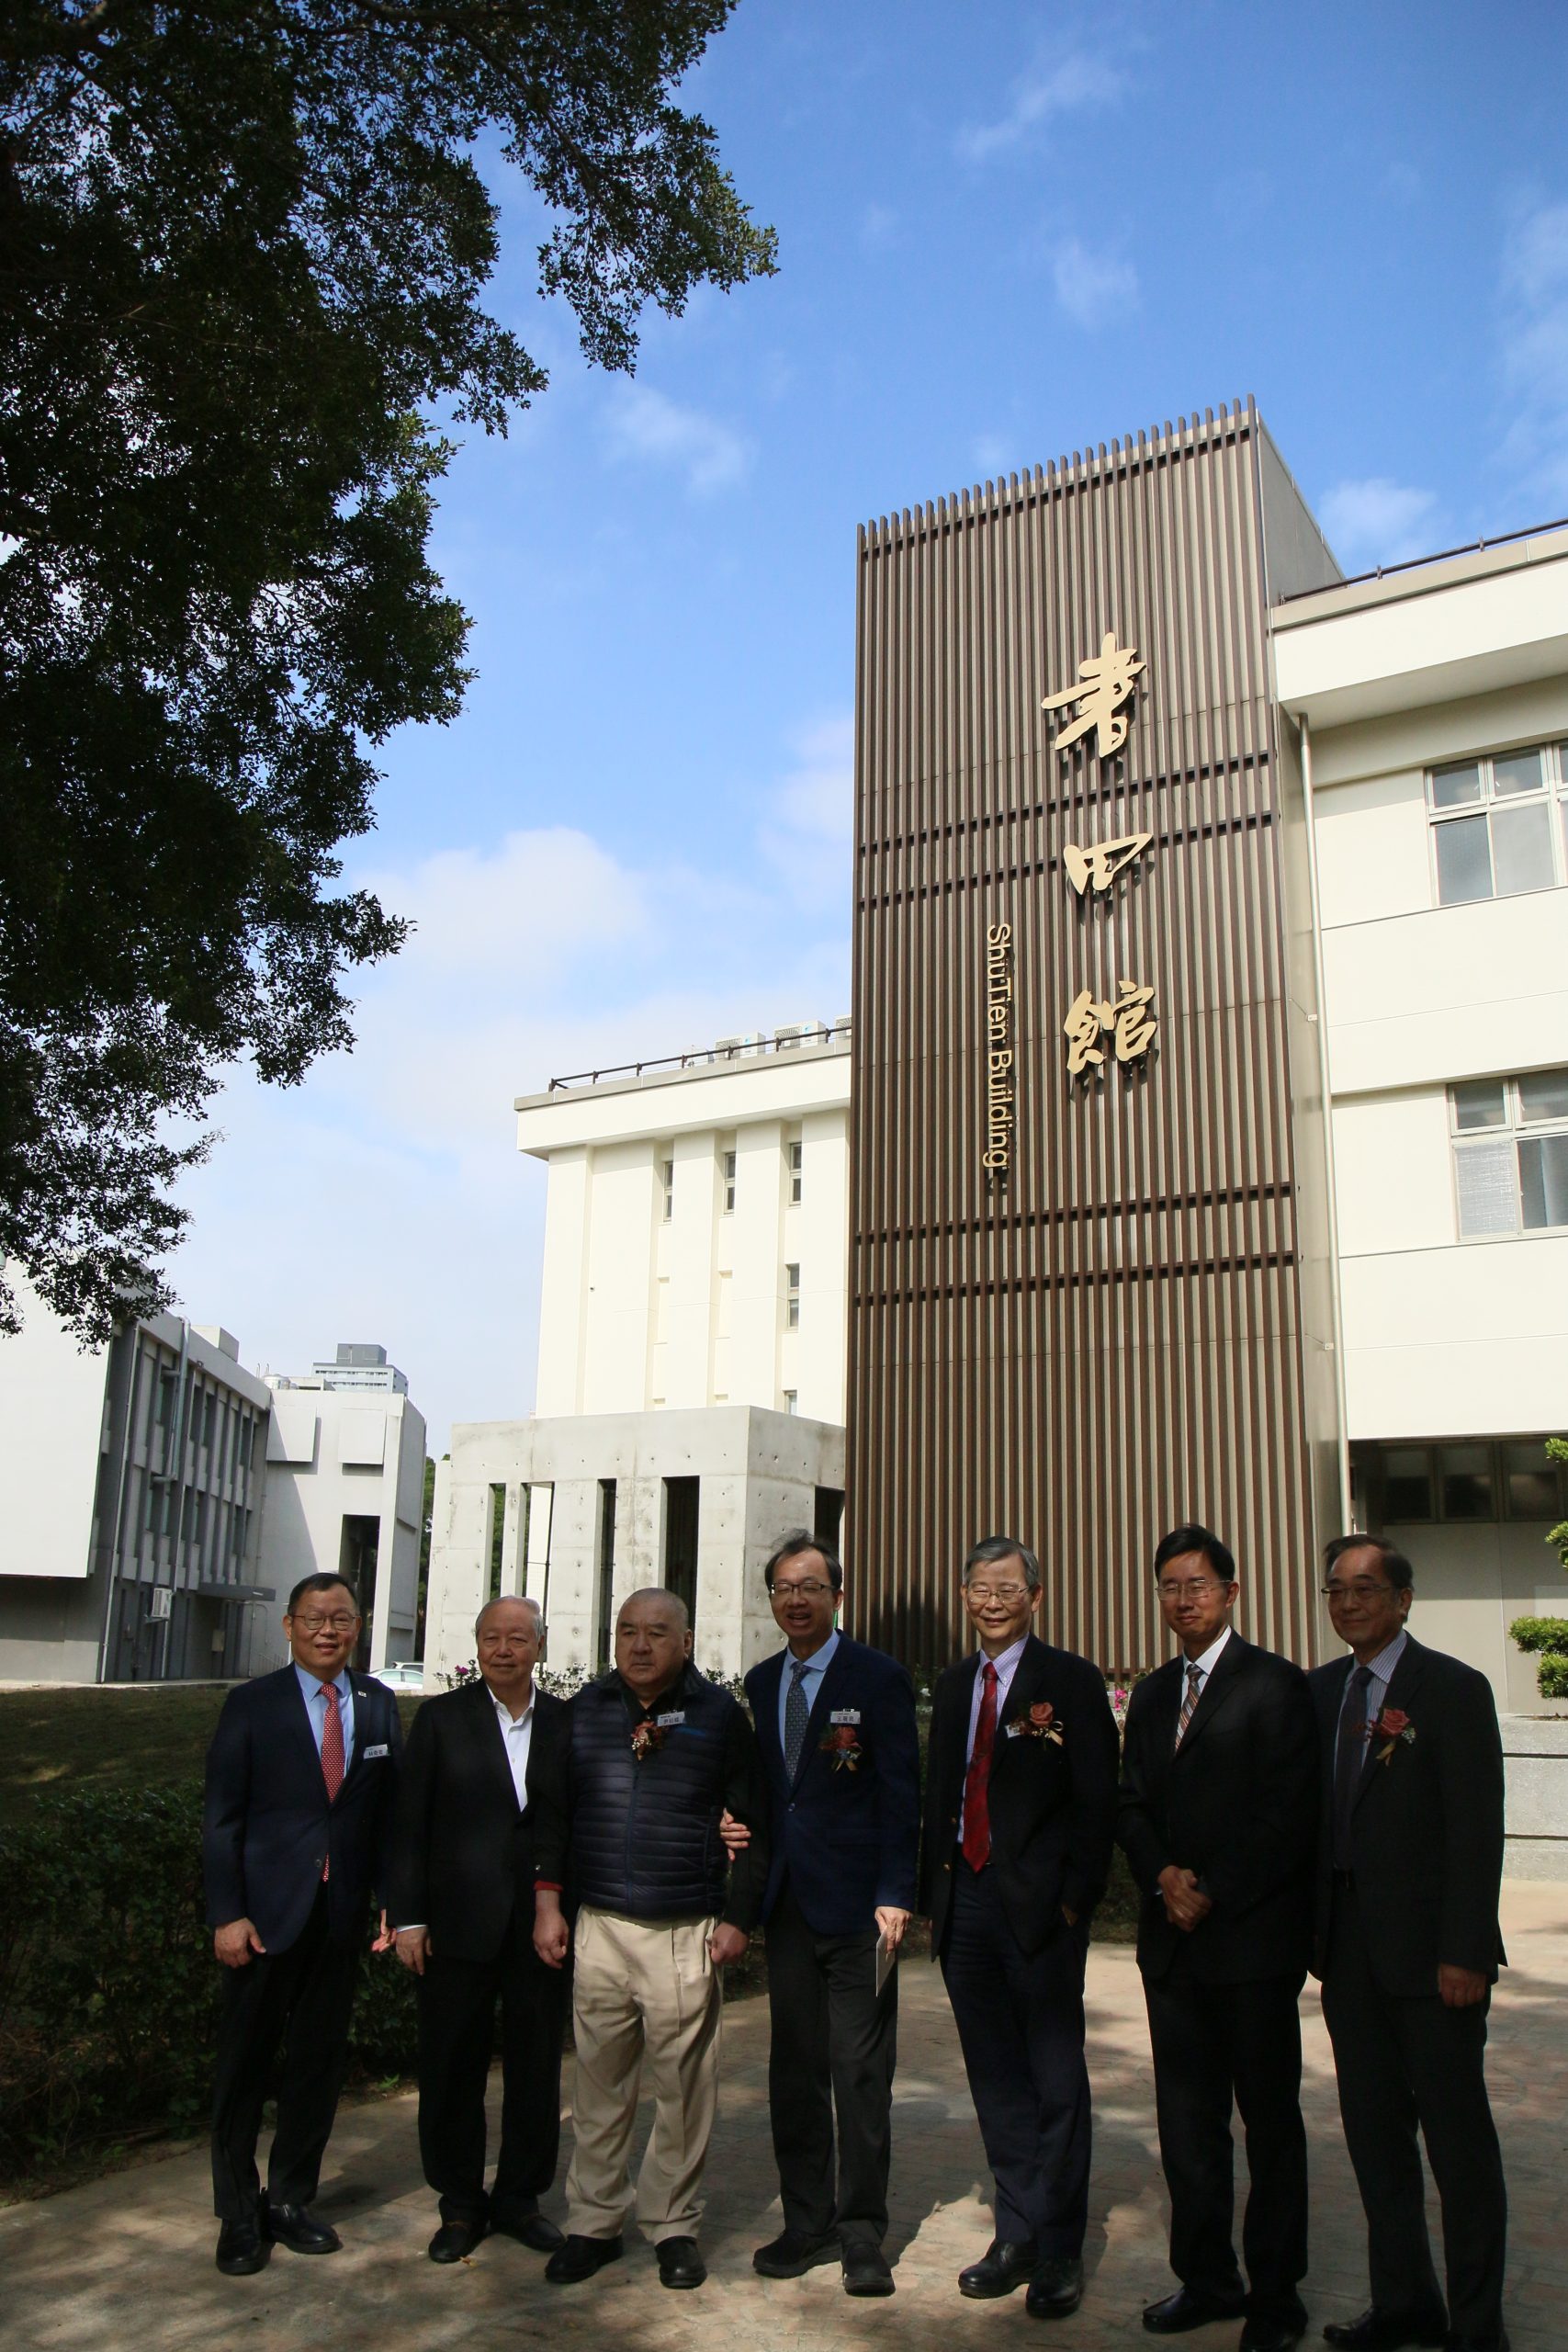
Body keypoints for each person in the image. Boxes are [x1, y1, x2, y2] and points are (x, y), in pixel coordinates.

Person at [530, 1587, 768, 2292]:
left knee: (684, 2089)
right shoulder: (582, 1714)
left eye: (656, 1633)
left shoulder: (720, 1717)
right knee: (598, 2085)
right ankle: (593, 2223)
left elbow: (755, 1826)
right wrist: (548, 1906)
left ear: (685, 1642)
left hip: (683, 1927)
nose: (640, 1644)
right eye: (627, 1630)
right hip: (599, 1924)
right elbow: (552, 1819)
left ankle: (672, 2224)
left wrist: (736, 1920)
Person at [1117, 1524, 1319, 2351]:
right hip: (1172, 1947)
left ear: (1231, 1593)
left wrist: (1211, 1889)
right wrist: (1162, 1876)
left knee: (1268, 2126)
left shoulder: (1276, 1685)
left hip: (1251, 1944)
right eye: (1168, 1585)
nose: (1182, 1599)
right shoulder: (1153, 1691)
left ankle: (1276, 2299)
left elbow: (1287, 1814)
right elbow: (1127, 1803)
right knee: (1186, 2125)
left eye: (1197, 1584)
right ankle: (1205, 2279)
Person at [1310, 1537, 1508, 2352]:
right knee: (1374, 2139)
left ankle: (1475, 2325)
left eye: (1366, 1588)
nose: (1349, 1603)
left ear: (1402, 1599)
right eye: (1335, 1589)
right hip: (1348, 1958)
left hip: (1434, 1962)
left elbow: (1475, 1828)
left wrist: (1465, 1950)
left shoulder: (1454, 1689)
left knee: (1457, 2148)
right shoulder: (1319, 1692)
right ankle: (1404, 2303)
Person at [919, 1533, 1120, 2321]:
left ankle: (1061, 2246)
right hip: (963, 1904)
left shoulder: (1068, 1680)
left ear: (1034, 1595)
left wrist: (1074, 1901)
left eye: (1006, 1586)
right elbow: (941, 1794)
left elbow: (1096, 1799)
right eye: (978, 1586)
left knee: (1054, 2078)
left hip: (1039, 1912)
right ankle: (1016, 2231)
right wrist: (927, 1897)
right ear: (965, 1596)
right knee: (995, 2079)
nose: (991, 1599)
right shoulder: (956, 1680)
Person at [201, 1572, 402, 2276]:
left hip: (339, 1918)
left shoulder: (379, 1706)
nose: (328, 1630)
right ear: (289, 1626)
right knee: (244, 2069)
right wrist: (227, 1914)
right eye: (314, 1618)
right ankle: (236, 2213)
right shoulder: (250, 1705)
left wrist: (389, 1897)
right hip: (263, 1920)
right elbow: (222, 1820)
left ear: (357, 1626)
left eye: (341, 1618)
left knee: (316, 2069)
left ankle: (289, 2200)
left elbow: (386, 1817)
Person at [741, 1530, 921, 2299]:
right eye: (783, 1587)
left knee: (860, 2075)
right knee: (794, 2074)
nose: (796, 1599)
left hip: (859, 1913)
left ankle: (860, 2235)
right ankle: (805, 2222)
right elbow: (767, 1793)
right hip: (788, 1910)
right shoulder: (757, 1681)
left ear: (836, 1595)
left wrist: (896, 1892)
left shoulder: (876, 1677)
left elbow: (900, 1795)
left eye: (810, 1586)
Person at [387, 1595, 569, 2264]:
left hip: (539, 1932)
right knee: (450, 2070)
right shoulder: (440, 1719)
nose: (503, 1649)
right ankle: (460, 2205)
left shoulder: (563, 1722)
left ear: (539, 1648)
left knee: (535, 2070)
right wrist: (408, 1916)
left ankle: (520, 2199)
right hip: (456, 1929)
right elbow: (408, 1826)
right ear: (476, 1645)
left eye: (518, 1639)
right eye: (491, 1637)